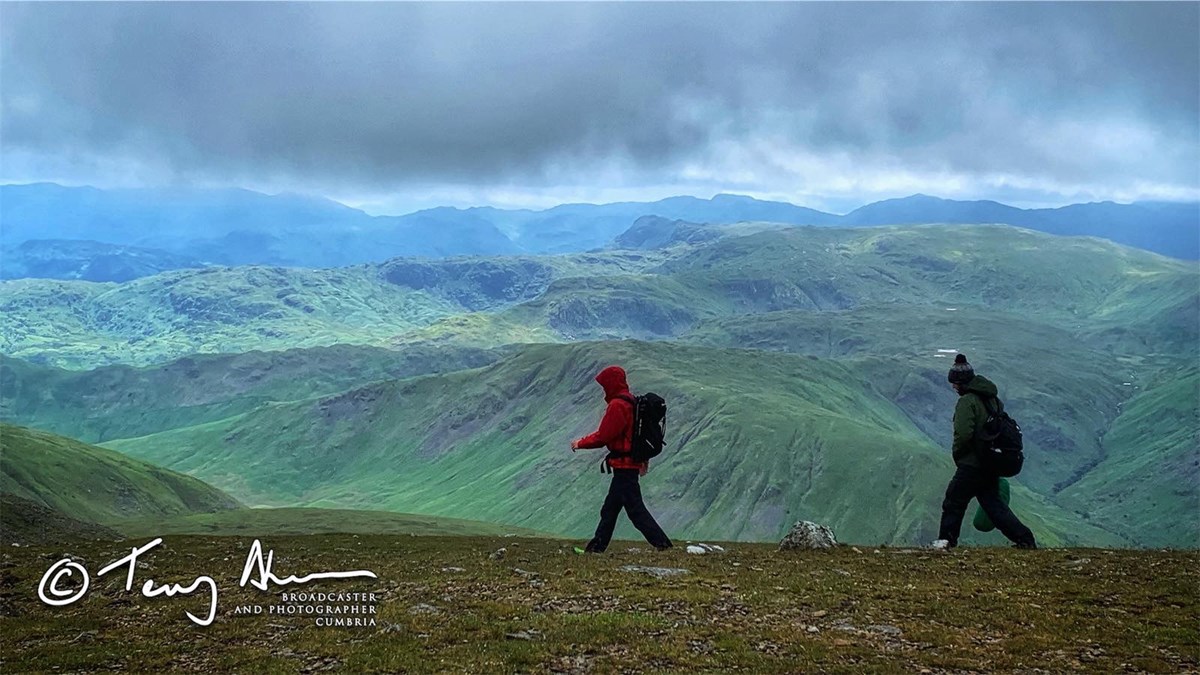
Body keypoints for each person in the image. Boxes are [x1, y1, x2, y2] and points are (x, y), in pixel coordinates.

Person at [933, 354, 1037, 550]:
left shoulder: (968, 401)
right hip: (991, 461)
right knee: (993, 504)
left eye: (954, 383)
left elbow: (963, 434)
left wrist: (958, 455)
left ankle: (946, 541)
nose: (953, 387)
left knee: (954, 500)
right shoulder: (991, 399)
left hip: (973, 463)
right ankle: (1025, 538)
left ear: (961, 383)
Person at [571, 365, 673, 553]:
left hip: (625, 468)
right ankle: (596, 548)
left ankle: (663, 545)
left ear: (611, 383)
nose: (603, 389)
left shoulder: (618, 405)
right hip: (627, 465)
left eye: (604, 384)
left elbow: (604, 436)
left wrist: (580, 443)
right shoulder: (631, 401)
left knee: (635, 512)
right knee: (610, 509)